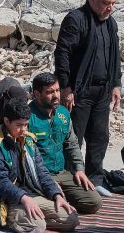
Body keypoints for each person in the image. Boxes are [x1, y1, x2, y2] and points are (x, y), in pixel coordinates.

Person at [54, 0, 122, 192]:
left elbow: (115, 56)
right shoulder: (76, 19)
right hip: (79, 91)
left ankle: (95, 180)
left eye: (112, 3)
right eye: (105, 3)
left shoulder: (111, 23)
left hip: (102, 90)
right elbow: (62, 54)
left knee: (100, 136)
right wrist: (65, 87)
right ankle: (69, 178)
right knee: (75, 137)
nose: (109, 8)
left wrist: (116, 84)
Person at [0, 98, 78, 233]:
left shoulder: (29, 141)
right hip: (6, 200)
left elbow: (42, 172)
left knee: (71, 219)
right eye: (19, 125)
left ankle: (33, 215)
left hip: (31, 194)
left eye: (26, 125)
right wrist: (23, 198)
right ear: (6, 121)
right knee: (37, 227)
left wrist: (57, 195)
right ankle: (12, 218)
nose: (23, 129)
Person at [28, 72, 101, 214]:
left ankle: (60, 197)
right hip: (40, 176)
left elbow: (72, 144)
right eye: (49, 92)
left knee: (94, 202)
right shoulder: (28, 117)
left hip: (61, 172)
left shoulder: (63, 114)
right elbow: (26, 156)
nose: (56, 96)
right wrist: (46, 181)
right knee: (62, 214)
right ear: (37, 94)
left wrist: (79, 169)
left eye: (57, 90)